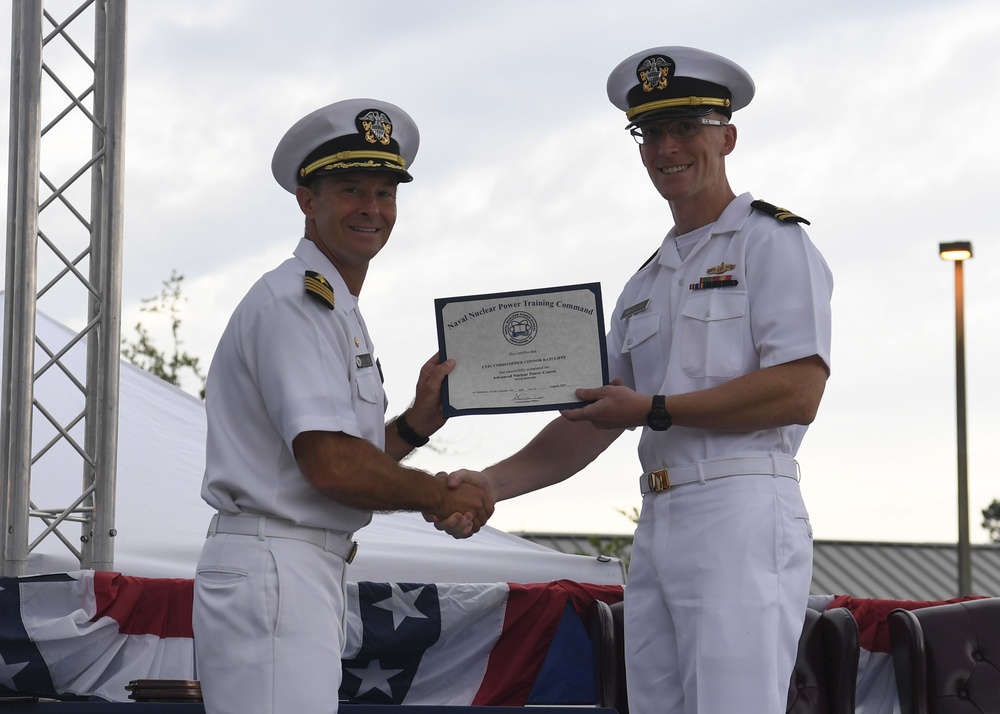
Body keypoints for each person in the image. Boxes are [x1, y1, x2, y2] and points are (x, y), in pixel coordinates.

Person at [437, 47, 833, 713]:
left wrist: (654, 407)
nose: (666, 148)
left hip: (739, 507)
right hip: (660, 518)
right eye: (650, 133)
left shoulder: (773, 242)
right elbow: (592, 417)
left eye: (685, 128)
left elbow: (798, 390)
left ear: (727, 137)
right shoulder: (644, 283)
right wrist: (490, 485)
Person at [192, 98, 493, 714]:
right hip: (279, 561)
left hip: (296, 562)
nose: (372, 209)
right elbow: (331, 467)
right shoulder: (296, 303)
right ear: (307, 199)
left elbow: (335, 460)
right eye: (351, 189)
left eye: (385, 193)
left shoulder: (334, 307)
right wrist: (440, 495)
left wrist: (413, 426)